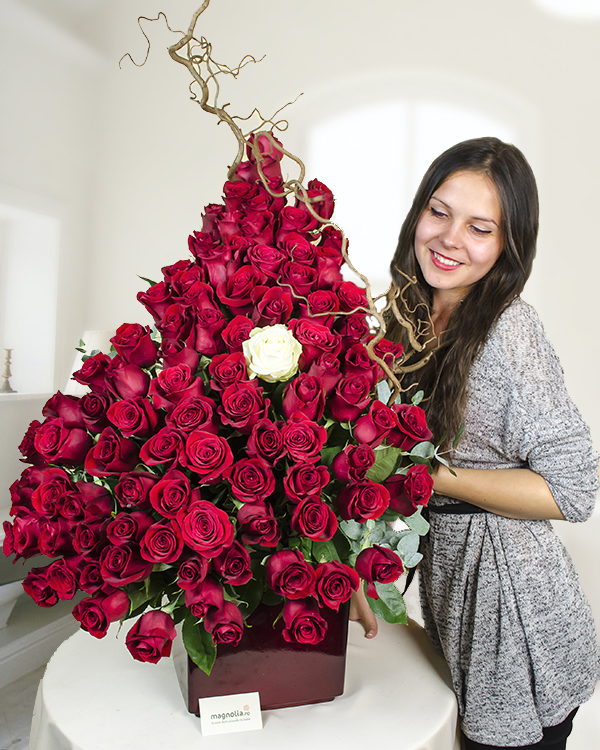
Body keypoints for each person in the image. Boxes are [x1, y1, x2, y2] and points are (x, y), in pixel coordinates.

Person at [350, 137, 599, 749]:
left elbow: (576, 487)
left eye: (479, 227)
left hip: (512, 609)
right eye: (439, 212)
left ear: (508, 246)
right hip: (453, 591)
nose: (449, 238)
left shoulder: (509, 332)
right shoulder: (408, 316)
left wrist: (424, 473)